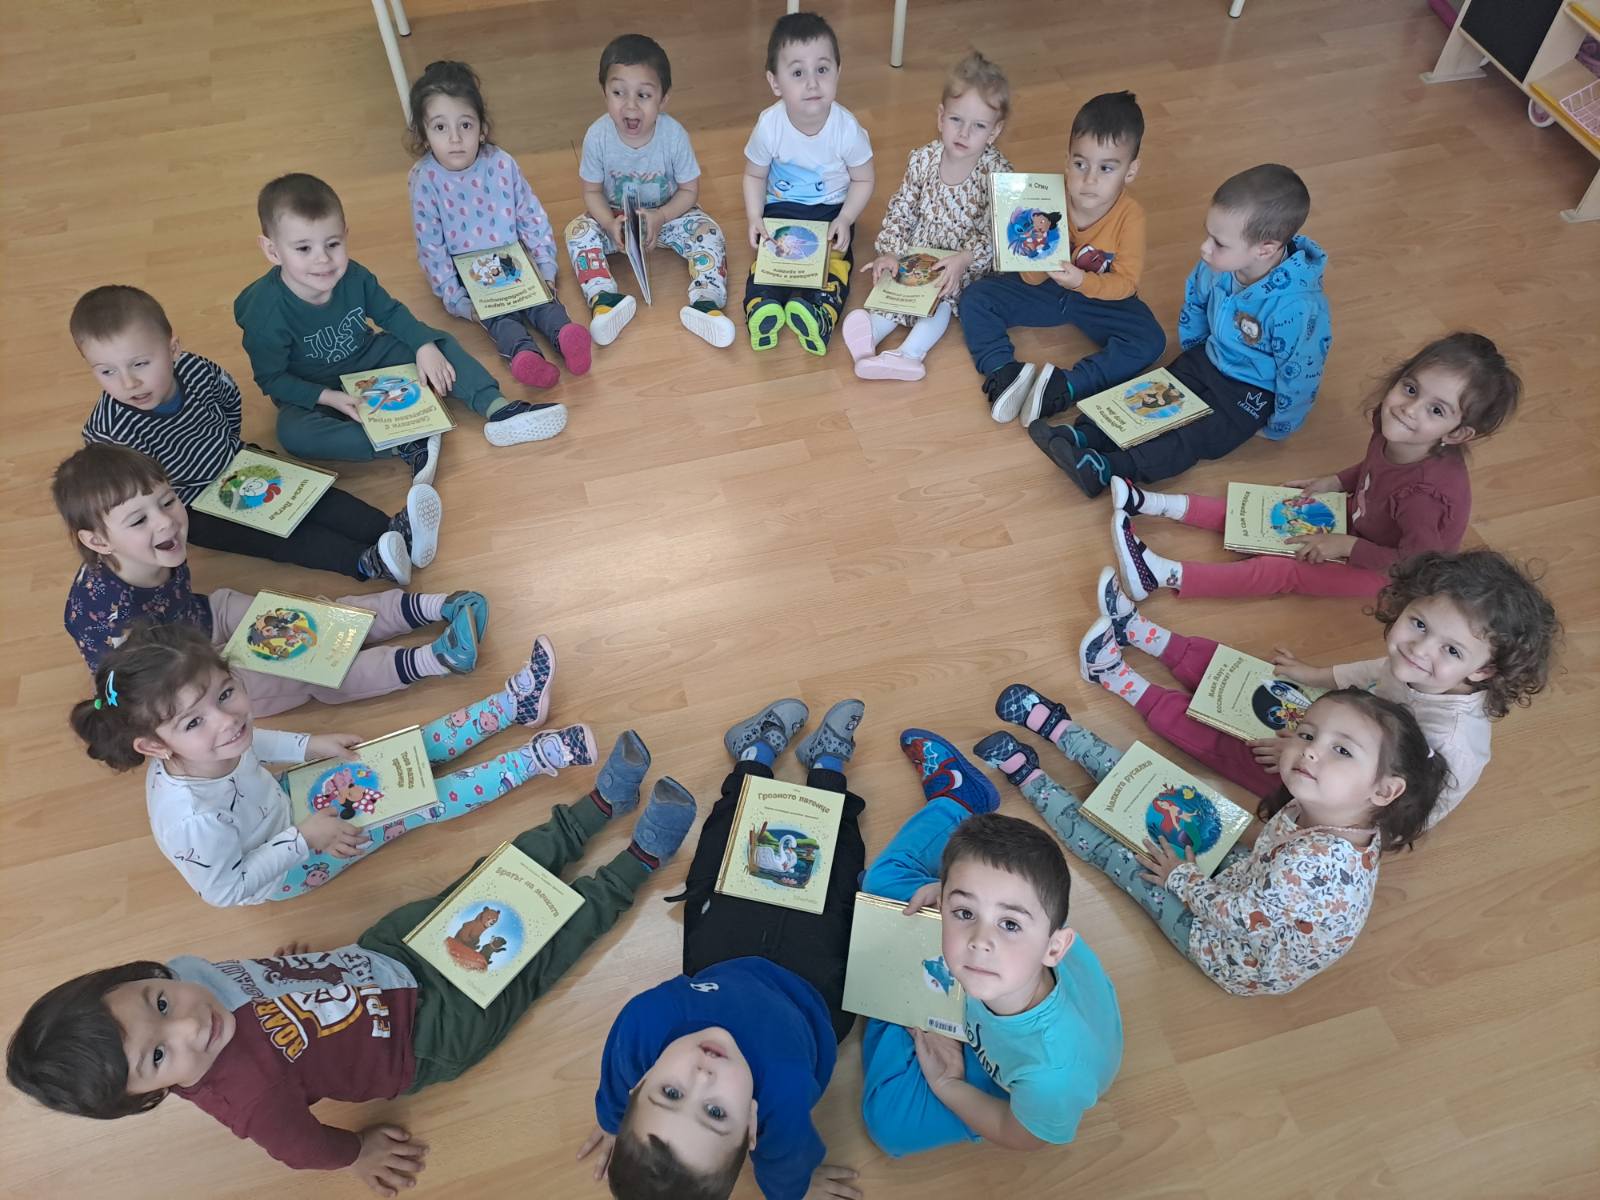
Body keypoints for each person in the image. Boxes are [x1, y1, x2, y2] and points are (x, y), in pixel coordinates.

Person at [5, 771, 696, 1194]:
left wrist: (283, 974)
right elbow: (302, 1150)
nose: (187, 1022)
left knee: (486, 886)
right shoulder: (249, 1100)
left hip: (384, 955)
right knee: (538, 948)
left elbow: (232, 983)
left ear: (146, 976)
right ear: (148, 1097)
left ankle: (588, 813)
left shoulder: (185, 974)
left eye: (159, 1002)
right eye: (157, 1056)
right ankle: (635, 863)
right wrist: (359, 1152)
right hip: (428, 1036)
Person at [70, 624, 607, 905]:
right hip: (292, 864)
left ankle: (514, 705)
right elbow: (226, 889)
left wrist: (309, 745)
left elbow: (250, 744)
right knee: (421, 801)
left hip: (288, 808)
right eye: (194, 721)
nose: (227, 720)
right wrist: (304, 839)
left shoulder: (214, 742)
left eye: (226, 693)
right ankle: (537, 758)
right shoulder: (192, 820)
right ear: (154, 746)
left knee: (409, 749)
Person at [580, 698, 869, 1200]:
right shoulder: (785, 1094)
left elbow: (617, 1070)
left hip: (725, 958)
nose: (702, 1076)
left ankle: (754, 755)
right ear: (752, 1125)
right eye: (715, 1112)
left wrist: (612, 1121)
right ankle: (828, 768)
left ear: (641, 1085)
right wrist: (796, 1190)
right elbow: (785, 1157)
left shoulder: (648, 1024)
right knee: (838, 880)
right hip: (815, 995)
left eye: (670, 1092)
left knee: (725, 855)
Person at [976, 688, 1447, 995]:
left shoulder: (1311, 869)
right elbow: (1270, 882)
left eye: (1341, 750)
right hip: (1254, 884)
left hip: (1232, 949)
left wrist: (1180, 878)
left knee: (1119, 856)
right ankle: (1059, 728)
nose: (1309, 751)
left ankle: (1029, 776)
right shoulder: (1339, 810)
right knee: (1158, 787)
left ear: (1384, 790)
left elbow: (1240, 917)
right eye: (1307, 733)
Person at [1080, 548, 1559, 828]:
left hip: (1338, 797)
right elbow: (1376, 669)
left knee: (1230, 745)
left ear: (1484, 671)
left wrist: (1306, 760)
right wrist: (1309, 675)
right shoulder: (1418, 667)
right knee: (1252, 677)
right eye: (1418, 623)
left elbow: (1404, 808)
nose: (1419, 648)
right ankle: (1141, 632)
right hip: (1346, 730)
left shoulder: (1448, 740)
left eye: (1451, 649)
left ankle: (1117, 678)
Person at [54, 445, 482, 712]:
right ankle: (435, 659)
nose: (165, 522)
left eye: (167, 501)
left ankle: (431, 606)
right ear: (98, 541)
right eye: (138, 520)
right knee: (310, 666)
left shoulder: (157, 543)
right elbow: (118, 694)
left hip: (202, 617)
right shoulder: (105, 616)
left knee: (306, 621)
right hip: (179, 680)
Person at [857, 730, 1122, 1157]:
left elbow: (1023, 1136)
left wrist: (947, 1082)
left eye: (1009, 924)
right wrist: (944, 895)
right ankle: (959, 801)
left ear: (1054, 948)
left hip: (1023, 1059)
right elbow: (989, 915)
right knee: (880, 887)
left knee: (891, 1126)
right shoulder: (1007, 958)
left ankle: (901, 1008)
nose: (980, 942)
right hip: (1007, 998)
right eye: (964, 912)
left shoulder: (1052, 1073)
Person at [1110, 332, 1521, 600]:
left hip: (1393, 572)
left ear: (1457, 433)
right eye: (1410, 388)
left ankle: (1162, 575)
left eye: (1436, 410)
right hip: (1364, 520)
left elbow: (1414, 562)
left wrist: (1347, 547)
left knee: (1281, 571)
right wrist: (1336, 481)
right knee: (1263, 512)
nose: (1409, 409)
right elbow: (1376, 469)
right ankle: (1149, 503)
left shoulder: (1424, 498)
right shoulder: (1394, 427)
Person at [74, 288, 441, 580]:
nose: (128, 383)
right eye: (106, 372)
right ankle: (365, 562)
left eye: (140, 364)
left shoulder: (197, 371)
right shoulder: (110, 432)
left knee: (314, 494)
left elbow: (228, 399)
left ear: (173, 349)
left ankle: (392, 530)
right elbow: (126, 493)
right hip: (192, 505)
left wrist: (233, 448)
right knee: (280, 537)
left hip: (235, 461)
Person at [1030, 163, 1330, 496]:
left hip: (1252, 392)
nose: (1205, 247)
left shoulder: (1298, 308)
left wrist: (1281, 424)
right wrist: (1195, 351)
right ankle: (1086, 434)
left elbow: (1301, 372)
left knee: (1191, 437)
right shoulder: (1217, 266)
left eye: (1219, 242)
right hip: (1208, 358)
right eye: (1208, 234)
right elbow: (1196, 303)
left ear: (1266, 249)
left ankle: (1108, 469)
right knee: (1150, 396)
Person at [235, 173, 561, 467]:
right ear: (273, 251)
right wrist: (326, 397)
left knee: (436, 342)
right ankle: (406, 445)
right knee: (293, 433)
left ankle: (498, 409)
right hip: (313, 389)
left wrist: (422, 346)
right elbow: (272, 379)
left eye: (333, 244)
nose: (323, 259)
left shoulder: (354, 276)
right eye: (303, 248)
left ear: (345, 235)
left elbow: (389, 313)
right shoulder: (264, 313)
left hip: (366, 357)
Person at [960, 91, 1164, 423]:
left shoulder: (1131, 216)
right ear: (1067, 161)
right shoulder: (1044, 197)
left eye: (1106, 168)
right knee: (975, 298)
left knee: (1150, 340)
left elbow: (1126, 283)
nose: (1090, 179)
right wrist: (1039, 256)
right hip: (1047, 289)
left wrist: (1083, 282)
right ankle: (1003, 373)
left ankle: (1065, 387)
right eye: (1081, 164)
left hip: (1099, 295)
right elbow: (1029, 276)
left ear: (1130, 171)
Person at [407, 60, 594, 393]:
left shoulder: (501, 163)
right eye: (440, 127)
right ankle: (524, 357)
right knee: (499, 321)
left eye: (465, 125)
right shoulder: (425, 180)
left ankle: (566, 336)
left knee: (544, 304)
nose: (455, 138)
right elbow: (431, 247)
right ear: (423, 135)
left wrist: (545, 268)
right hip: (472, 282)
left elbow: (531, 216)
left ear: (482, 129)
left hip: (518, 266)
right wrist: (458, 300)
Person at [840, 51, 1013, 382]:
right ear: (941, 117)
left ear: (994, 131)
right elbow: (902, 207)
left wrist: (966, 258)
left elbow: (999, 230)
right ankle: (869, 335)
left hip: (961, 261)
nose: (964, 133)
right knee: (896, 287)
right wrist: (890, 252)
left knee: (940, 299)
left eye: (978, 126)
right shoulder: (923, 159)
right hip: (917, 253)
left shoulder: (997, 173)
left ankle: (909, 354)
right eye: (956, 120)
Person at [564, 35, 735, 349]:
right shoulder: (598, 136)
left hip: (667, 216)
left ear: (663, 99)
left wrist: (662, 216)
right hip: (616, 220)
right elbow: (591, 192)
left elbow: (689, 191)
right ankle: (603, 300)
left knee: (710, 232)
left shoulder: (673, 136)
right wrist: (608, 223)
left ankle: (706, 302)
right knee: (577, 232)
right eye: (618, 93)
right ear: (604, 92)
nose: (630, 105)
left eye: (643, 95)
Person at [742, 11, 874, 355]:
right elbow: (754, 174)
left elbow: (863, 178)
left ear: (838, 72)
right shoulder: (769, 125)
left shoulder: (847, 129)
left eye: (822, 70)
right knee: (771, 259)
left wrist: (846, 217)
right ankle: (762, 306)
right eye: (798, 73)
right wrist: (755, 216)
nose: (812, 83)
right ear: (775, 82)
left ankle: (819, 312)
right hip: (781, 207)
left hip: (831, 210)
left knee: (836, 260)